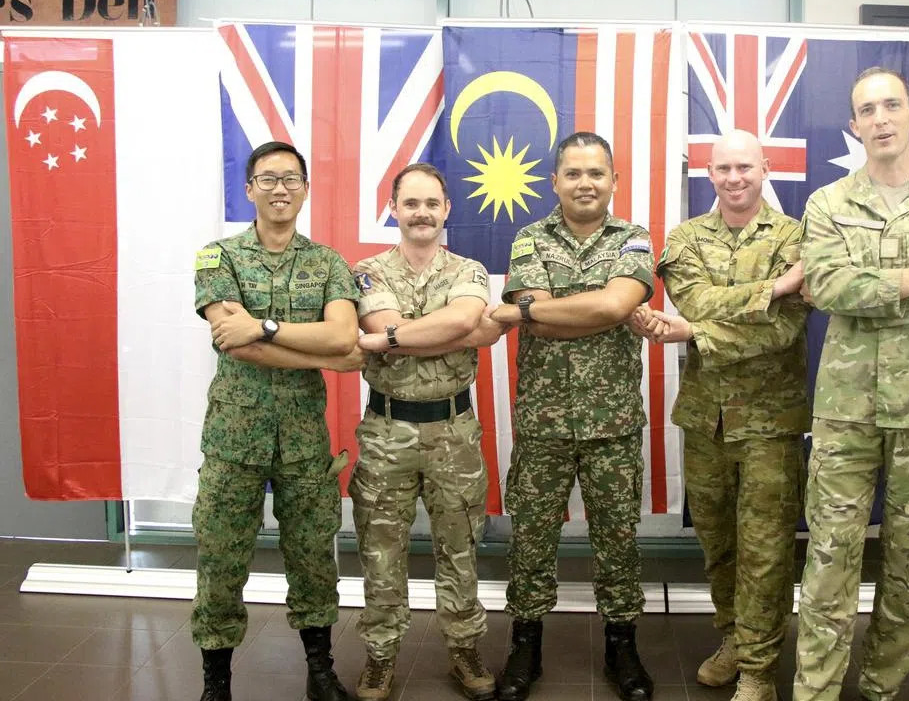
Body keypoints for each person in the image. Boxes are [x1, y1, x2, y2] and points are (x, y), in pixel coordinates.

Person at [793, 67, 909, 701]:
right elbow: (828, 290)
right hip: (847, 409)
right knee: (829, 562)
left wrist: (877, 285)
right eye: (867, 109)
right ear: (854, 125)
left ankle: (879, 687)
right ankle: (815, 692)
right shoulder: (827, 203)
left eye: (891, 105)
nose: (880, 118)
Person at [643, 129, 809, 701]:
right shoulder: (686, 238)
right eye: (723, 169)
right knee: (718, 543)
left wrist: (696, 334)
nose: (734, 178)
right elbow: (697, 301)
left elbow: (785, 329)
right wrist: (777, 287)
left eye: (745, 167)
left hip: (770, 422)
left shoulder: (797, 237)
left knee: (766, 547)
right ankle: (733, 639)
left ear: (765, 169)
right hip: (706, 420)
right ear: (708, 174)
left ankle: (760, 670)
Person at [192, 140, 360, 701]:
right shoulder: (218, 257)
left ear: (306, 189)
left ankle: (320, 669)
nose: (280, 189)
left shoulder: (328, 263)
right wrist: (322, 354)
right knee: (220, 562)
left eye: (291, 179)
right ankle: (216, 682)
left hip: (304, 444)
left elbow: (343, 336)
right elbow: (234, 345)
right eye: (267, 179)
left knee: (314, 559)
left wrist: (263, 328)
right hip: (232, 442)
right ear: (249, 190)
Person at [491, 131, 656, 701]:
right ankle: (525, 643)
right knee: (531, 539)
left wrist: (540, 311)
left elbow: (614, 304)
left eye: (597, 173)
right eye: (574, 173)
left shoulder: (634, 238)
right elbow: (528, 314)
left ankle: (622, 645)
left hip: (612, 424)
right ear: (555, 181)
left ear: (613, 180)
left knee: (618, 539)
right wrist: (587, 310)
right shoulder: (529, 237)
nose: (586, 183)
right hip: (542, 423)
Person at [348, 162, 505, 701]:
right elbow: (451, 328)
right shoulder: (367, 271)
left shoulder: (470, 268)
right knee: (380, 549)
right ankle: (380, 657)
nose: (421, 213)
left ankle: (464, 649)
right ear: (393, 208)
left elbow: (466, 321)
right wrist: (452, 331)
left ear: (447, 210)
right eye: (410, 203)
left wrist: (390, 340)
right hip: (387, 430)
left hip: (454, 429)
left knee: (460, 546)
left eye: (431, 204)